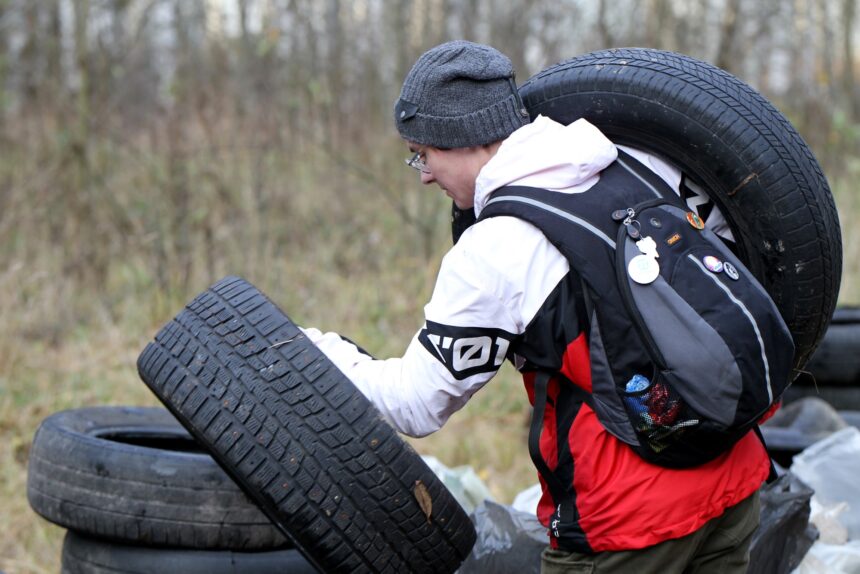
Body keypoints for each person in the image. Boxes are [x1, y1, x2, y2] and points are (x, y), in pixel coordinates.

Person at [302, 40, 770, 573]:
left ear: (461, 140)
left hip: (626, 523)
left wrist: (314, 351)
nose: (425, 174)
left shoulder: (495, 248)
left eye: (423, 154)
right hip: (733, 480)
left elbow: (416, 404)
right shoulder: (637, 163)